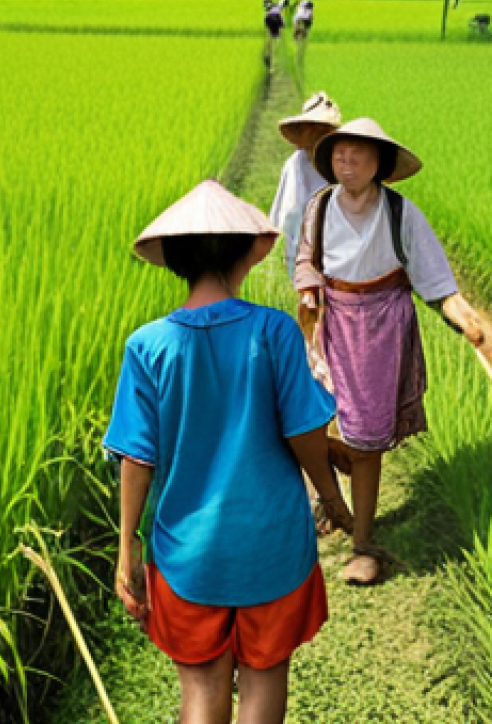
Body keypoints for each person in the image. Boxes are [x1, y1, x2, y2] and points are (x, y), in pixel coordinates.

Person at [105, 180, 352, 724]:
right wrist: (333, 500)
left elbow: (136, 458)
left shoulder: (147, 346)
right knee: (265, 679)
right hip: (273, 547)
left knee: (199, 688)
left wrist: (127, 547)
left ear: (175, 260)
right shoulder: (274, 331)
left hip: (185, 553)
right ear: (246, 251)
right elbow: (303, 433)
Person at [293, 119, 484, 585]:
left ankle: (363, 542)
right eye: (339, 154)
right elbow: (306, 258)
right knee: (313, 422)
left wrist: (459, 313)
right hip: (330, 322)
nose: (347, 162)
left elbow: (434, 278)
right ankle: (332, 504)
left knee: (365, 440)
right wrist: (308, 287)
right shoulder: (319, 207)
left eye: (358, 155)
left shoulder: (400, 213)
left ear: (379, 163)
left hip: (381, 328)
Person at [270, 92, 341, 276]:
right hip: (298, 256)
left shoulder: (342, 165)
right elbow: (285, 215)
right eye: (312, 128)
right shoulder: (294, 166)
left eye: (322, 129)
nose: (316, 135)